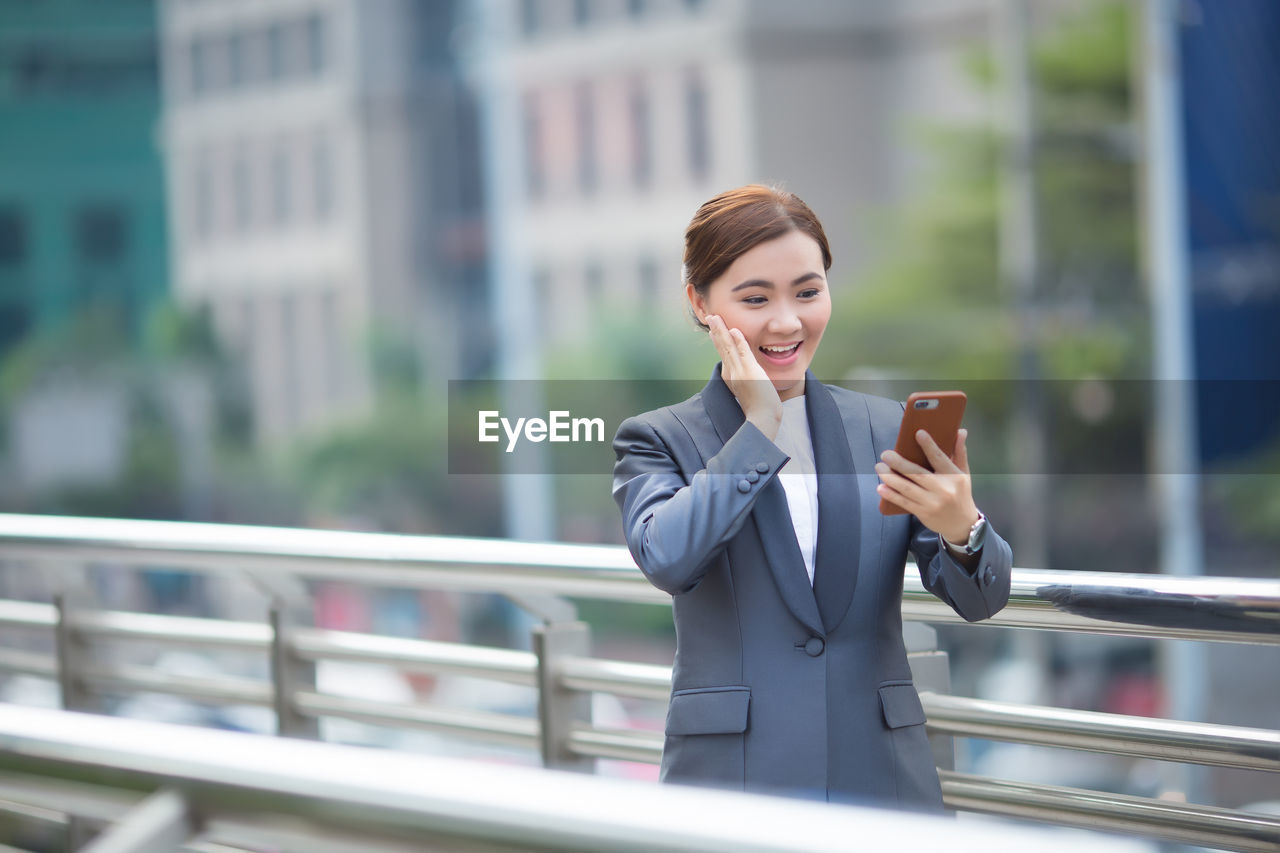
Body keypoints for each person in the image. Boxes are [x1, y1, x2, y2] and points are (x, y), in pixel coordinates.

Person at [610, 184, 1012, 812]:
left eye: (807, 291)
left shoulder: (884, 428)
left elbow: (981, 600)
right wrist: (760, 428)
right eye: (755, 298)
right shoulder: (661, 438)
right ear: (699, 302)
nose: (786, 322)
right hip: (735, 784)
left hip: (880, 780)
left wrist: (963, 525)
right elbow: (668, 556)